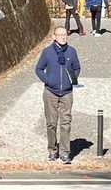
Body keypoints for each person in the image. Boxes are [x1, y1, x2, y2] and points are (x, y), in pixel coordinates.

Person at [34, 26, 81, 164]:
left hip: (67, 93)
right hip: (50, 92)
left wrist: (72, 79)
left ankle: (65, 153)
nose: (63, 37)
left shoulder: (72, 51)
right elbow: (39, 69)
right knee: (51, 123)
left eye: (65, 34)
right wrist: (48, 80)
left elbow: (77, 68)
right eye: (60, 35)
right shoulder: (47, 52)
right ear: (54, 37)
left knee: (66, 123)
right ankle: (52, 150)